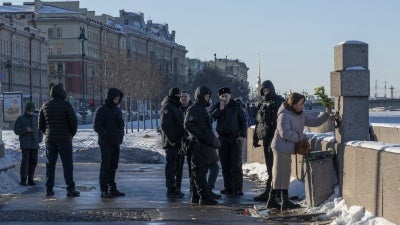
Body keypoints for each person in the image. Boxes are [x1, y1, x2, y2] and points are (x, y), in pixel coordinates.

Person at [267, 92, 331, 211]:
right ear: (293, 103)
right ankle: (282, 201)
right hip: (280, 147)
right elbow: (284, 133)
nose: (302, 105)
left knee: (282, 173)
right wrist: (300, 136)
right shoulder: (284, 115)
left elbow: (314, 122)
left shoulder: (301, 114)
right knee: (282, 173)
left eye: (303, 103)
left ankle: (273, 200)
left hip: (286, 147)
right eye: (300, 103)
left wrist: (327, 114)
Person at [39, 83, 80, 197]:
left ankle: (48, 189)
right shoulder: (66, 105)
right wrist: (71, 134)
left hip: (50, 139)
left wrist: (47, 133)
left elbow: (41, 124)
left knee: (50, 165)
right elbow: (74, 121)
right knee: (67, 165)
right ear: (62, 93)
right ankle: (70, 189)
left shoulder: (45, 105)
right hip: (65, 139)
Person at [184, 86, 220, 205]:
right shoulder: (194, 108)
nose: (208, 98)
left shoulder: (201, 109)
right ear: (200, 96)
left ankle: (196, 196)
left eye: (208, 96)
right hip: (197, 145)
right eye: (206, 96)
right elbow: (188, 124)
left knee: (201, 171)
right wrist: (201, 136)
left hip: (203, 145)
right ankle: (203, 197)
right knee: (199, 172)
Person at [210, 87, 247, 196]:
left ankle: (238, 188)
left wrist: (243, 136)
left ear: (230, 96)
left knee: (236, 164)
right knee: (225, 164)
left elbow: (243, 122)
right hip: (222, 138)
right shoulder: (217, 106)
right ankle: (228, 187)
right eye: (222, 96)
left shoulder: (236, 106)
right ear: (219, 97)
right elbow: (210, 117)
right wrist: (219, 110)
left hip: (235, 138)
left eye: (226, 96)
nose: (224, 98)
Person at [252, 80, 285, 202]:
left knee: (274, 165)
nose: (266, 92)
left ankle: (272, 191)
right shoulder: (262, 103)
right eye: (264, 91)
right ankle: (272, 190)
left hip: (275, 138)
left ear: (272, 89)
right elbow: (258, 122)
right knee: (269, 165)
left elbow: (284, 120)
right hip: (266, 138)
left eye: (267, 90)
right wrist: (255, 137)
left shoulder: (279, 101)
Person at [93, 88, 125, 198]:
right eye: (115, 98)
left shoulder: (118, 110)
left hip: (116, 142)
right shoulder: (102, 109)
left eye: (118, 99)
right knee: (105, 166)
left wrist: (120, 134)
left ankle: (112, 187)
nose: (116, 100)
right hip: (105, 142)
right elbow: (96, 126)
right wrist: (106, 134)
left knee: (113, 166)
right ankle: (104, 189)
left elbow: (121, 125)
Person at [160, 87, 185, 198]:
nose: (179, 98)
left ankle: (174, 188)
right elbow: (165, 125)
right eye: (177, 96)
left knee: (176, 166)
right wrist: (173, 140)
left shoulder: (176, 106)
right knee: (171, 166)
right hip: (171, 142)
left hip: (177, 141)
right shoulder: (168, 107)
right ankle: (170, 189)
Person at [14, 102, 42, 186]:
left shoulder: (36, 118)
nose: (31, 112)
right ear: (26, 110)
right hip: (25, 145)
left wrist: (39, 139)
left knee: (33, 162)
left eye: (32, 111)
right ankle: (23, 180)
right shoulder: (21, 119)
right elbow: (16, 130)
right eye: (30, 111)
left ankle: (30, 179)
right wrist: (26, 130)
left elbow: (40, 130)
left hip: (34, 145)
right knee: (25, 162)